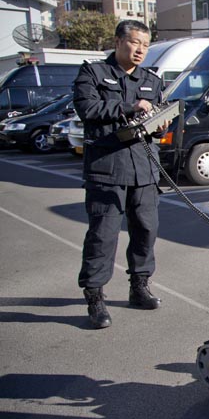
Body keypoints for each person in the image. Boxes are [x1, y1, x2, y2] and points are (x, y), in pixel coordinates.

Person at [74, 20, 169, 329]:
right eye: (134, 42)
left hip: (144, 169)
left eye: (145, 44)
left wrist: (162, 123)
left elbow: (153, 119)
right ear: (118, 42)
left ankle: (139, 286)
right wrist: (130, 106)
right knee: (102, 236)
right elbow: (87, 109)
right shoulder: (93, 73)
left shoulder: (151, 79)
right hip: (107, 169)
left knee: (146, 230)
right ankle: (95, 298)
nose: (140, 49)